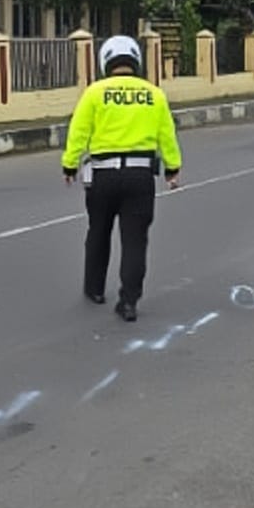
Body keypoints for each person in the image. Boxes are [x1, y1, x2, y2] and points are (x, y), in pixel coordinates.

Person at [62, 36, 182, 323]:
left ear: (105, 62)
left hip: (103, 176)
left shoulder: (94, 92)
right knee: (135, 240)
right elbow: (167, 135)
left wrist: (69, 165)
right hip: (140, 176)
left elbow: (79, 132)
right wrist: (172, 168)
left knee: (98, 231)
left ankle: (94, 289)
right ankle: (129, 302)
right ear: (136, 61)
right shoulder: (154, 94)